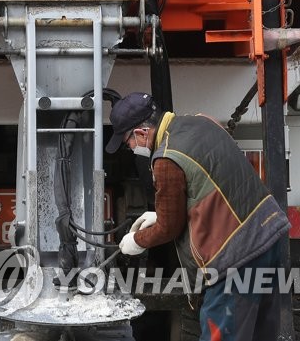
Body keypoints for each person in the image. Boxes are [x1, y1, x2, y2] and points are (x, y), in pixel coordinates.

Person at [105, 93, 289, 341]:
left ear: (140, 133)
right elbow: (208, 180)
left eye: (127, 141)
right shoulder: (202, 121)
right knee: (260, 335)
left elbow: (169, 228)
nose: (130, 148)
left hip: (234, 259)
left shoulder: (166, 158)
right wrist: (160, 213)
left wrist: (137, 241)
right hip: (269, 237)